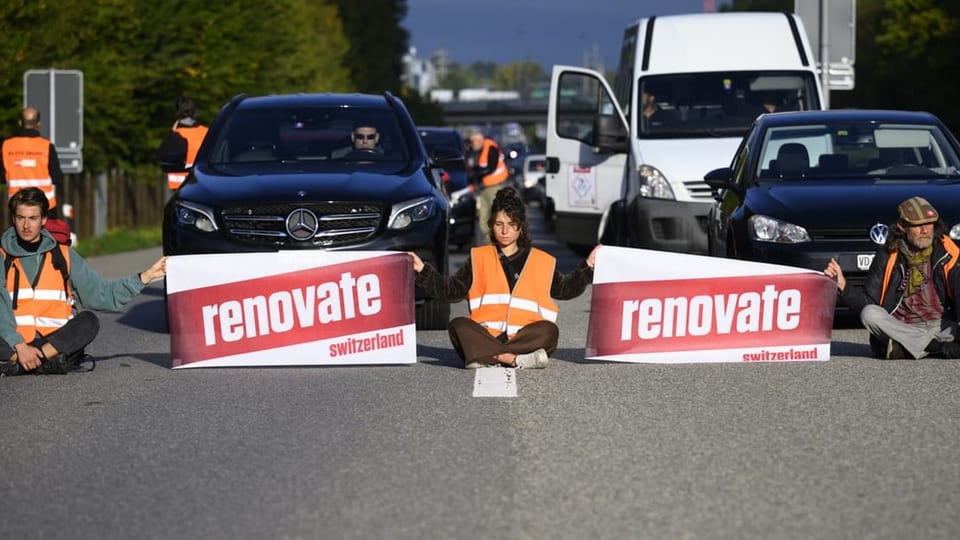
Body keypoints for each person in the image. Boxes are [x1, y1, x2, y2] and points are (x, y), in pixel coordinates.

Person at [409, 186, 600, 369]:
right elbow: (451, 291)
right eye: (499, 224)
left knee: (549, 331)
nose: (505, 231)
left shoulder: (541, 260)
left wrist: (588, 266)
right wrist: (423, 270)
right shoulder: (479, 257)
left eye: (511, 224)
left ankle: (487, 355)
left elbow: (566, 289)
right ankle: (512, 358)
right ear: (491, 225)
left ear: (521, 227)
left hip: (525, 336)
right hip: (487, 334)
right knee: (457, 326)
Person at [0, 187, 167, 376]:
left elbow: (101, 294)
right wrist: (19, 346)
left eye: (33, 218)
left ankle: (24, 364)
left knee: (88, 321)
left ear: (44, 220)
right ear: (13, 219)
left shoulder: (63, 255)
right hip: (14, 341)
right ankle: (43, 363)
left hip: (55, 342)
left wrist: (146, 276)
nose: (26, 226)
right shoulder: (2, 256)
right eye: (21, 218)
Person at [823, 196, 960, 360]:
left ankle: (906, 349)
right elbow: (869, 302)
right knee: (870, 314)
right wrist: (844, 287)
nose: (925, 230)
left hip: (941, 325)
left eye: (929, 224)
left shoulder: (948, 250)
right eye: (918, 225)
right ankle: (935, 348)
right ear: (903, 227)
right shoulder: (888, 254)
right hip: (901, 326)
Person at [1, 107, 65, 219]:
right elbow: (57, 177)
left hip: (18, 206)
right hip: (45, 206)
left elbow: (2, 176)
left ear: (20, 122)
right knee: (47, 236)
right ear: (38, 124)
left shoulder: (7, 146)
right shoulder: (46, 146)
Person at [157, 95, 208, 191]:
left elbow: (162, 158)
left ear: (177, 112)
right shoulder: (207, 132)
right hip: (205, 185)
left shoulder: (175, 137)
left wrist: (172, 132)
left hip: (180, 188)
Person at [467, 130, 511, 238]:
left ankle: (498, 242)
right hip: (483, 188)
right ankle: (490, 243)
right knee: (483, 217)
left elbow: (491, 167)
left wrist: (476, 172)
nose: (472, 144)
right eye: (471, 142)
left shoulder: (491, 148)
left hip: (495, 187)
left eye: (474, 142)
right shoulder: (475, 151)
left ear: (480, 140)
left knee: (496, 216)